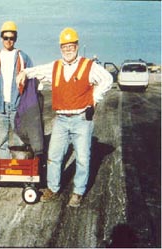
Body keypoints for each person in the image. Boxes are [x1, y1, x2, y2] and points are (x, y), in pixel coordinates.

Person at [17, 27, 113, 207]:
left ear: (76, 46)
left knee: (83, 158)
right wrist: (24, 73)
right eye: (64, 46)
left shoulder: (88, 66)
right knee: (54, 156)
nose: (68, 49)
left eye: (71, 45)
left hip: (82, 120)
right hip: (61, 120)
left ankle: (78, 192)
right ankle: (53, 188)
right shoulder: (55, 67)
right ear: (61, 48)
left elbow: (107, 79)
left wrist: (95, 98)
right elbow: (36, 71)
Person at [0, 21, 42, 159]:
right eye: (6, 37)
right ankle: (7, 173)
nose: (9, 41)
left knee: (20, 141)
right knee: (1, 142)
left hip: (18, 107)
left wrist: (26, 101)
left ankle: (20, 173)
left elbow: (33, 81)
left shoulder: (23, 58)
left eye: (11, 38)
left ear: (16, 39)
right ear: (1, 38)